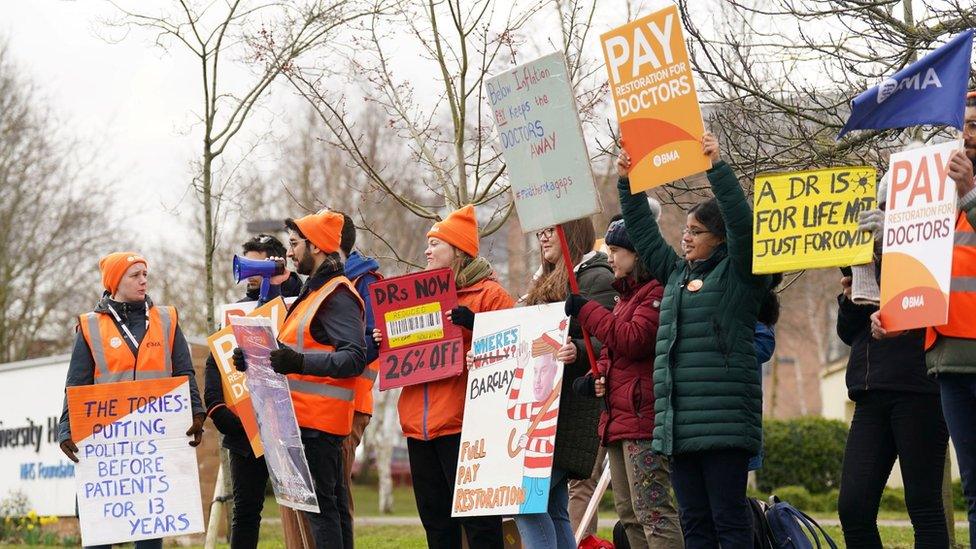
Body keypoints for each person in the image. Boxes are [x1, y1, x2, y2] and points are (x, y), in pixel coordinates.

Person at [617, 133, 769, 548]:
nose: (685, 238)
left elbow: (742, 225)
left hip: (724, 428)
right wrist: (629, 182)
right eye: (685, 229)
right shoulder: (678, 276)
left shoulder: (741, 277)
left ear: (719, 239)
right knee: (694, 524)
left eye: (696, 231)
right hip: (681, 429)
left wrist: (716, 168)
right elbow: (645, 235)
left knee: (729, 523)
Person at [872, 91, 976, 545]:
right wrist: (893, 314)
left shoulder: (964, 194)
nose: (969, 134)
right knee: (973, 489)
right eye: (966, 124)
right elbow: (933, 281)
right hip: (949, 360)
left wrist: (970, 193)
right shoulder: (939, 198)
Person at [381, 204, 513, 549]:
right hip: (418, 426)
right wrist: (382, 338)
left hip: (464, 425)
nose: (427, 250)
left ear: (458, 250)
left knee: (480, 526)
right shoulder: (415, 297)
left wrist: (477, 326)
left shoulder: (491, 295)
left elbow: (514, 349)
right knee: (436, 525)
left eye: (435, 244)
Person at [233, 210, 366, 549]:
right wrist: (254, 358)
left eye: (294, 244)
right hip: (309, 422)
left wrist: (297, 362)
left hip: (319, 425)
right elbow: (296, 350)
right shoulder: (317, 290)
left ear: (317, 247)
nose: (289, 253)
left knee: (324, 514)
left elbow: (353, 357)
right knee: (329, 511)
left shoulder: (336, 294)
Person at [58, 252, 206, 549]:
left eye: (145, 274)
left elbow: (184, 371)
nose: (143, 280)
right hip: (106, 448)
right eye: (134, 275)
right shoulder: (89, 326)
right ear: (115, 281)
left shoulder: (167, 319)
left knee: (150, 533)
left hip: (152, 446)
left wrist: (197, 412)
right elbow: (75, 386)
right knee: (99, 535)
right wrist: (66, 429)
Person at [568, 216, 684, 549]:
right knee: (629, 513)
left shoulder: (655, 294)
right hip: (618, 419)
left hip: (642, 420)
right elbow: (613, 353)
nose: (610, 257)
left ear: (638, 254)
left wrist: (588, 311)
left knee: (654, 512)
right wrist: (596, 377)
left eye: (617, 250)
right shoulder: (625, 299)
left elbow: (634, 340)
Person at [515, 217, 617, 548]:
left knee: (527, 503)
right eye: (541, 230)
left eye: (550, 231)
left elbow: (609, 338)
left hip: (569, 411)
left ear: (570, 234)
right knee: (553, 506)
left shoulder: (596, 278)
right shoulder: (542, 281)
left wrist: (580, 350)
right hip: (543, 410)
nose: (542, 237)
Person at [837, 245, 949, 547]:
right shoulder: (862, 263)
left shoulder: (924, 248)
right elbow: (848, 333)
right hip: (869, 393)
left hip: (919, 390)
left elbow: (938, 310)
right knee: (853, 508)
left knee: (923, 506)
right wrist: (850, 301)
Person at [204, 234, 301, 549]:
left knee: (301, 509)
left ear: (276, 265)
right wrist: (218, 410)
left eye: (254, 264)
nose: (247, 273)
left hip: (292, 422)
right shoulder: (235, 310)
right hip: (244, 428)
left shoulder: (301, 301)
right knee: (245, 511)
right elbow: (215, 361)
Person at [338, 212, 382, 515]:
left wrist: (334, 362)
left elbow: (377, 340)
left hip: (351, 402)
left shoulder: (364, 282)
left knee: (336, 492)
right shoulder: (334, 282)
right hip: (328, 402)